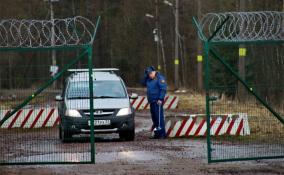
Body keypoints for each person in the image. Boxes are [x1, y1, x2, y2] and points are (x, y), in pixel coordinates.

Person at [142, 66, 167, 139]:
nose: (150, 75)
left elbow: (163, 89)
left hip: (157, 101)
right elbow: (142, 83)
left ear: (154, 72)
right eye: (148, 74)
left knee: (159, 118)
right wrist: (145, 76)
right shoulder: (148, 79)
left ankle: (162, 134)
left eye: (150, 73)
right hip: (152, 101)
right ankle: (157, 134)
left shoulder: (160, 78)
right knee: (155, 118)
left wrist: (160, 98)